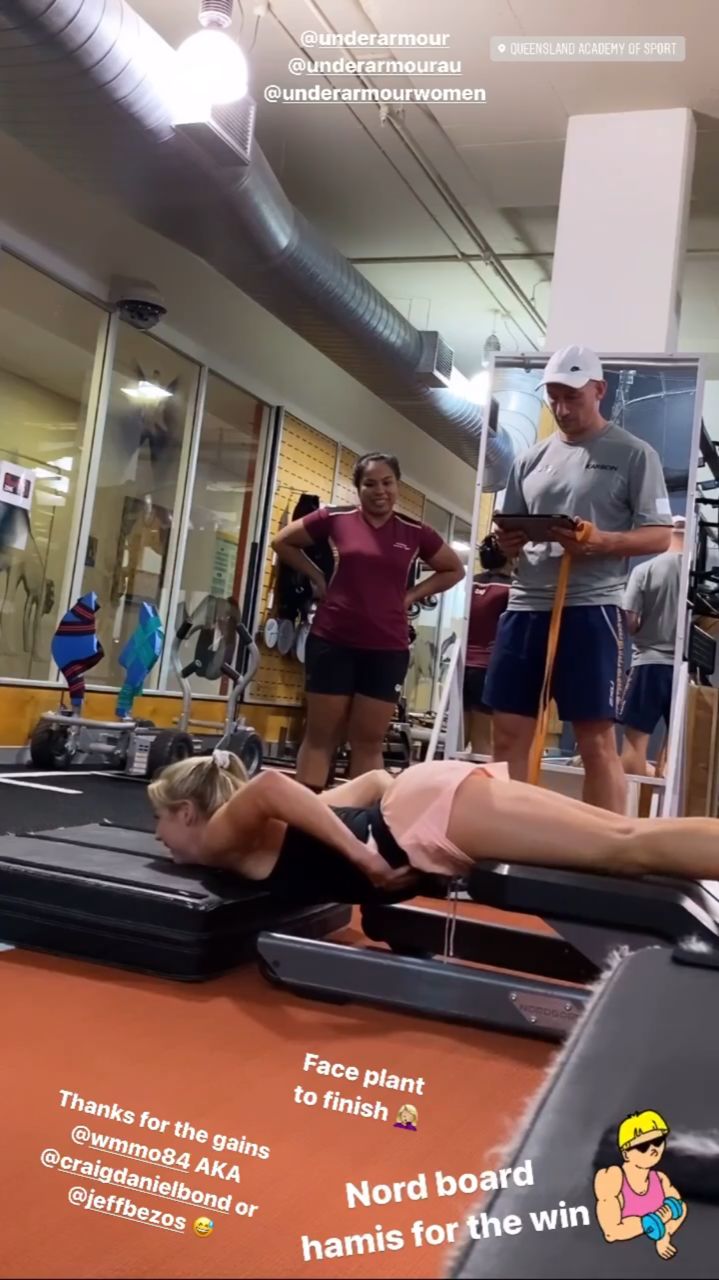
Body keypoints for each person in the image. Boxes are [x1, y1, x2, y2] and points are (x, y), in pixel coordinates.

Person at [485, 345, 673, 813]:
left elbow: (658, 535)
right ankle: (507, 839)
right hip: (526, 606)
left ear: (599, 390)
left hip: (591, 609)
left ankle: (606, 845)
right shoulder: (529, 460)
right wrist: (505, 544)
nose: (562, 408)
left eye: (573, 397)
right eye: (553, 397)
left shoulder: (635, 454)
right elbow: (506, 534)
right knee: (507, 735)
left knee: (595, 741)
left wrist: (601, 542)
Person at [149, 750, 719, 902]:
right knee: (625, 837)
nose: (157, 836)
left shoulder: (217, 839)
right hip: (420, 801)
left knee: (626, 846)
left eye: (160, 819)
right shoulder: (261, 836)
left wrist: (366, 857)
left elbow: (271, 784)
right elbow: (374, 781)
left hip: (424, 817)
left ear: (187, 813)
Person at [271, 453, 463, 789]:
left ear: (397, 485)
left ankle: (356, 817)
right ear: (358, 488)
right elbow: (282, 542)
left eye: (387, 483)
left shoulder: (415, 532)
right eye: (370, 484)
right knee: (320, 736)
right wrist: (317, 577)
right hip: (332, 640)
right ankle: (305, 814)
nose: (380, 491)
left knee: (368, 741)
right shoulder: (334, 519)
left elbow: (453, 569)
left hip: (386, 648)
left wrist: (411, 596)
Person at [620, 516, 685, 776]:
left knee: (635, 743)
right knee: (674, 748)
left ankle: (635, 801)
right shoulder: (699, 574)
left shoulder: (644, 570)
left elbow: (630, 622)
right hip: (685, 669)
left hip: (648, 664)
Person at [464, 534, 511, 756]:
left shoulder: (472, 582)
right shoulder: (512, 588)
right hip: (487, 667)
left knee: (458, 740)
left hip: (463, 667)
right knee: (482, 742)